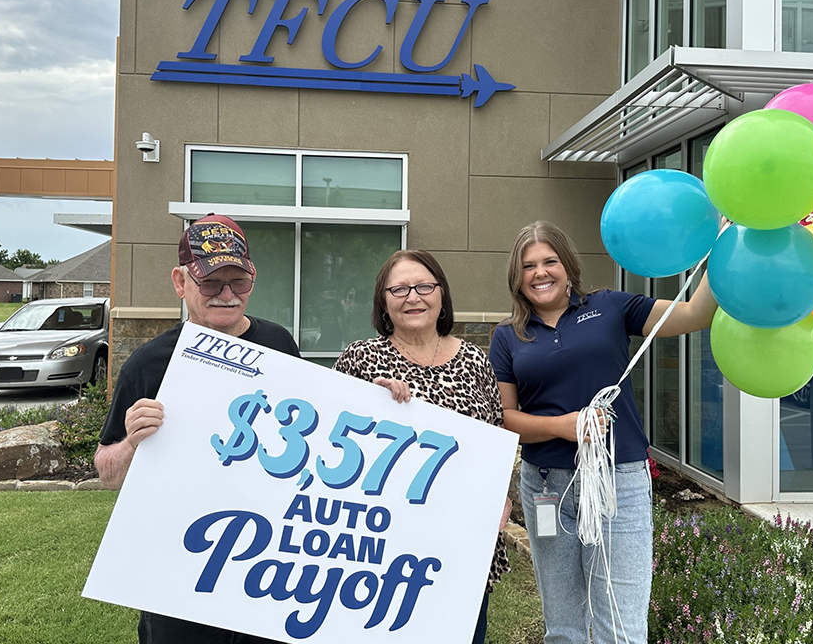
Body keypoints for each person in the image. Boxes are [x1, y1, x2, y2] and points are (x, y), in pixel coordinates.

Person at [488, 221, 717, 644]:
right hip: (545, 489)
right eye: (528, 265)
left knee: (621, 624)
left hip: (618, 483)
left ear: (568, 265)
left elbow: (694, 314)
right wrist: (565, 426)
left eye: (549, 261)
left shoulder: (610, 306)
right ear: (516, 277)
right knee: (563, 626)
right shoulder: (507, 336)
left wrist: (725, 246)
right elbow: (506, 417)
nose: (540, 272)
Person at [95, 213, 299, 644]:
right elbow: (107, 472)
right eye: (210, 283)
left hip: (266, 566)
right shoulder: (148, 363)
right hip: (179, 568)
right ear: (180, 281)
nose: (226, 295)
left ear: (253, 279)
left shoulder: (281, 346)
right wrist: (132, 444)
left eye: (237, 282)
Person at [332, 250, 511, 644]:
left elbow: (495, 436)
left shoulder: (476, 360)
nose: (413, 297)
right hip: (385, 543)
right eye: (399, 289)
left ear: (441, 295)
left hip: (462, 541)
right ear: (383, 301)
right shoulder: (361, 358)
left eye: (424, 286)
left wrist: (501, 498)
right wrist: (366, 403)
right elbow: (330, 436)